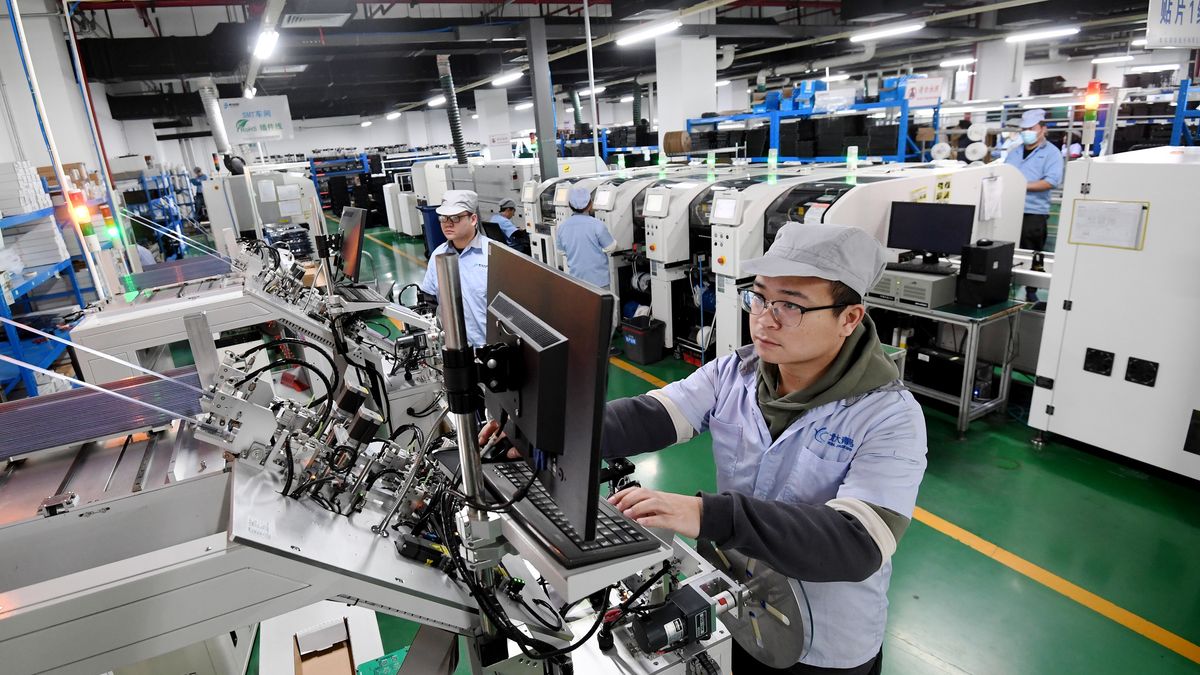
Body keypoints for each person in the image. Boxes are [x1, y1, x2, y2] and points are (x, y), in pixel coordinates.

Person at [487, 223, 927, 673]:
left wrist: (706, 515)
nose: (764, 319)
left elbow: (856, 543)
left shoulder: (890, 417)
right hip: (740, 610)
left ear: (849, 318)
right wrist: (551, 430)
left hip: (827, 644)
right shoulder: (737, 372)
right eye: (758, 297)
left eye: (790, 306)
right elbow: (652, 414)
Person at [1003, 109, 1063, 302]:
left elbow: (1051, 181)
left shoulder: (1051, 153)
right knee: (1006, 253)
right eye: (1024, 129)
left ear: (1042, 129)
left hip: (1033, 213)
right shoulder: (1015, 152)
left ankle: (1031, 293)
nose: (1026, 132)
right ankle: (1004, 289)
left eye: (1031, 128)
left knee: (1032, 254)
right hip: (1010, 211)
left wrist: (1021, 185)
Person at [417, 189, 490, 346]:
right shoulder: (438, 255)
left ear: (473, 219)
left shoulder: (493, 254)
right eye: (443, 218)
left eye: (456, 217)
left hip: (488, 349)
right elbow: (430, 301)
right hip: (452, 351)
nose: (448, 223)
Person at [555, 184, 616, 290]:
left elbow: (561, 251)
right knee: (601, 306)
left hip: (577, 280)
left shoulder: (562, 227)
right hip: (599, 281)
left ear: (570, 205)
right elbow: (610, 247)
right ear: (590, 205)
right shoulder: (597, 224)